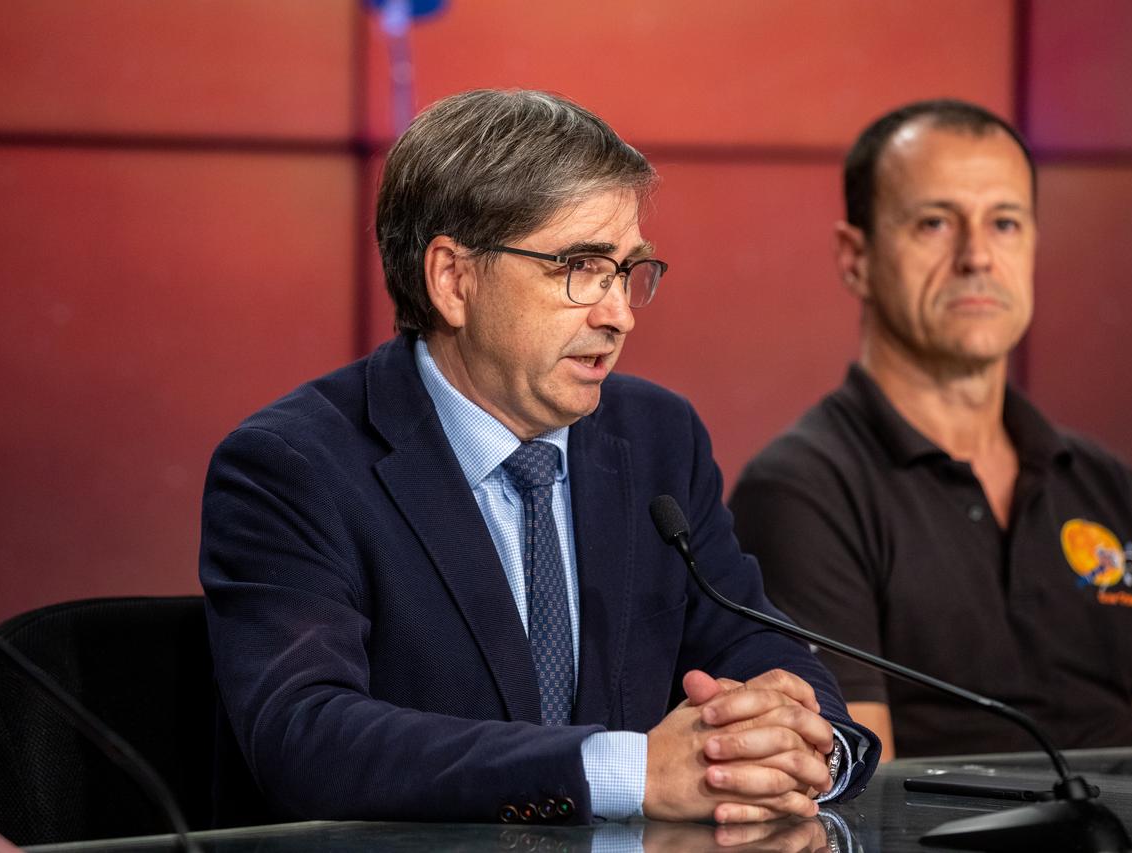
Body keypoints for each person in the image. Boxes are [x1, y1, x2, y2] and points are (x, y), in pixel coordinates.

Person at [200, 89, 878, 826]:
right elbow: (306, 737)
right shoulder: (294, 466)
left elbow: (749, 635)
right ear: (453, 280)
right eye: (581, 266)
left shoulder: (658, 436)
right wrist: (629, 771)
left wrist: (813, 746)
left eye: (628, 270)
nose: (619, 314)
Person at [730, 99, 1132, 760]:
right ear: (855, 258)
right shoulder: (801, 492)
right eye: (935, 223)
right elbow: (853, 786)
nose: (977, 257)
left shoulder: (1114, 489)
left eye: (1005, 223)